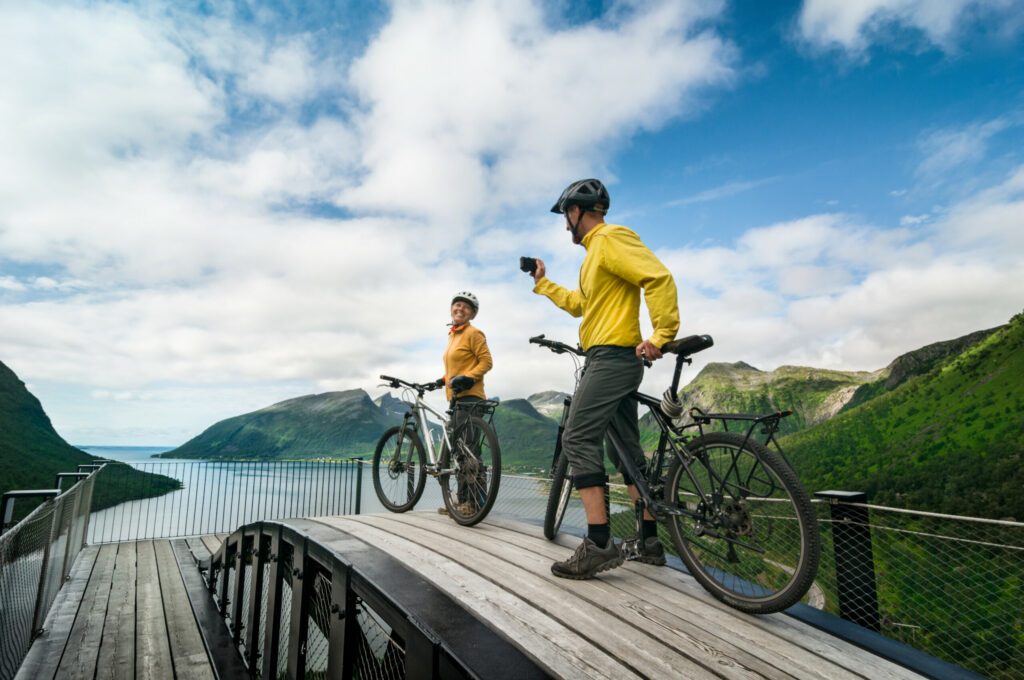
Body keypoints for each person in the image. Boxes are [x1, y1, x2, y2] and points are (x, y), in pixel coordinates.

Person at [528, 178, 679, 579]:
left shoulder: (611, 239)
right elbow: (582, 306)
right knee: (626, 451)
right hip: (609, 356)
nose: (565, 226)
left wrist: (662, 334)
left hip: (611, 358)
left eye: (566, 216)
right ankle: (649, 542)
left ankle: (597, 543)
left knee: (576, 437)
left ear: (578, 211)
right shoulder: (594, 257)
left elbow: (657, 277)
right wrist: (543, 284)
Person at [438, 291, 493, 516]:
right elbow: (455, 368)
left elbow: (486, 362)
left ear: (472, 314)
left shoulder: (473, 333)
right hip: (455, 398)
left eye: (466, 307)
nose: (460, 309)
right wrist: (442, 380)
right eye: (457, 305)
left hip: (471, 398)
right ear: (452, 309)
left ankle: (472, 503)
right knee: (460, 453)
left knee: (469, 451)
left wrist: (469, 377)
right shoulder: (453, 335)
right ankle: (460, 503)